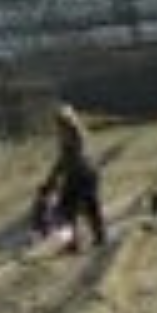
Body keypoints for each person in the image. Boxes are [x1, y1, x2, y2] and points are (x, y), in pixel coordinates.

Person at [39, 104, 107, 251]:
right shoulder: (74, 134)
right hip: (86, 174)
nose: (57, 127)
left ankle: (77, 242)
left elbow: (67, 161)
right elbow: (63, 161)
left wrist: (52, 181)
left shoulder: (73, 135)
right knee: (86, 207)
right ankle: (94, 237)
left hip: (81, 175)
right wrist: (52, 179)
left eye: (59, 123)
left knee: (71, 209)